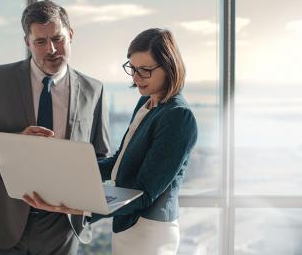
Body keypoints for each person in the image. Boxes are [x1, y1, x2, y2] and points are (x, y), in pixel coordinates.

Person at [24, 28, 198, 255]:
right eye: (133, 69)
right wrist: (64, 172)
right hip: (128, 225)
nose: (136, 79)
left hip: (150, 231)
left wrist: (80, 207)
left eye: (145, 71)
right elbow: (119, 162)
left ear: (169, 66)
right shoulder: (147, 103)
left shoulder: (178, 116)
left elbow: (144, 192)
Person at [0, 0, 110, 255]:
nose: (52, 49)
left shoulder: (94, 90)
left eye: (58, 39)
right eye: (40, 42)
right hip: (2, 220)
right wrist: (14, 145)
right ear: (27, 42)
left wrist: (85, 199)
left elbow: (100, 156)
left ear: (71, 34)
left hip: (62, 227)